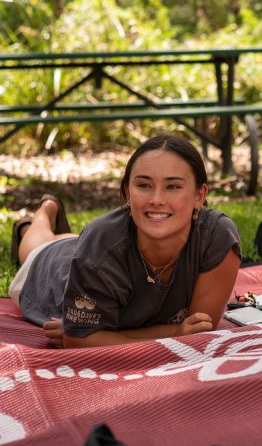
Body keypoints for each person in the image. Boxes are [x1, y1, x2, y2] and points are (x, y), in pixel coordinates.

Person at [8, 135, 241, 348]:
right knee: (36, 250)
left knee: (73, 242)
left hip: (97, 250)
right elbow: (79, 342)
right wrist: (174, 332)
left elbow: (199, 329)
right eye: (144, 185)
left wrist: (106, 334)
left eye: (173, 186)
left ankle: (48, 220)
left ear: (199, 196)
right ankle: (41, 215)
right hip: (58, 272)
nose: (157, 199)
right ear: (128, 194)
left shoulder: (217, 237)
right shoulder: (99, 247)